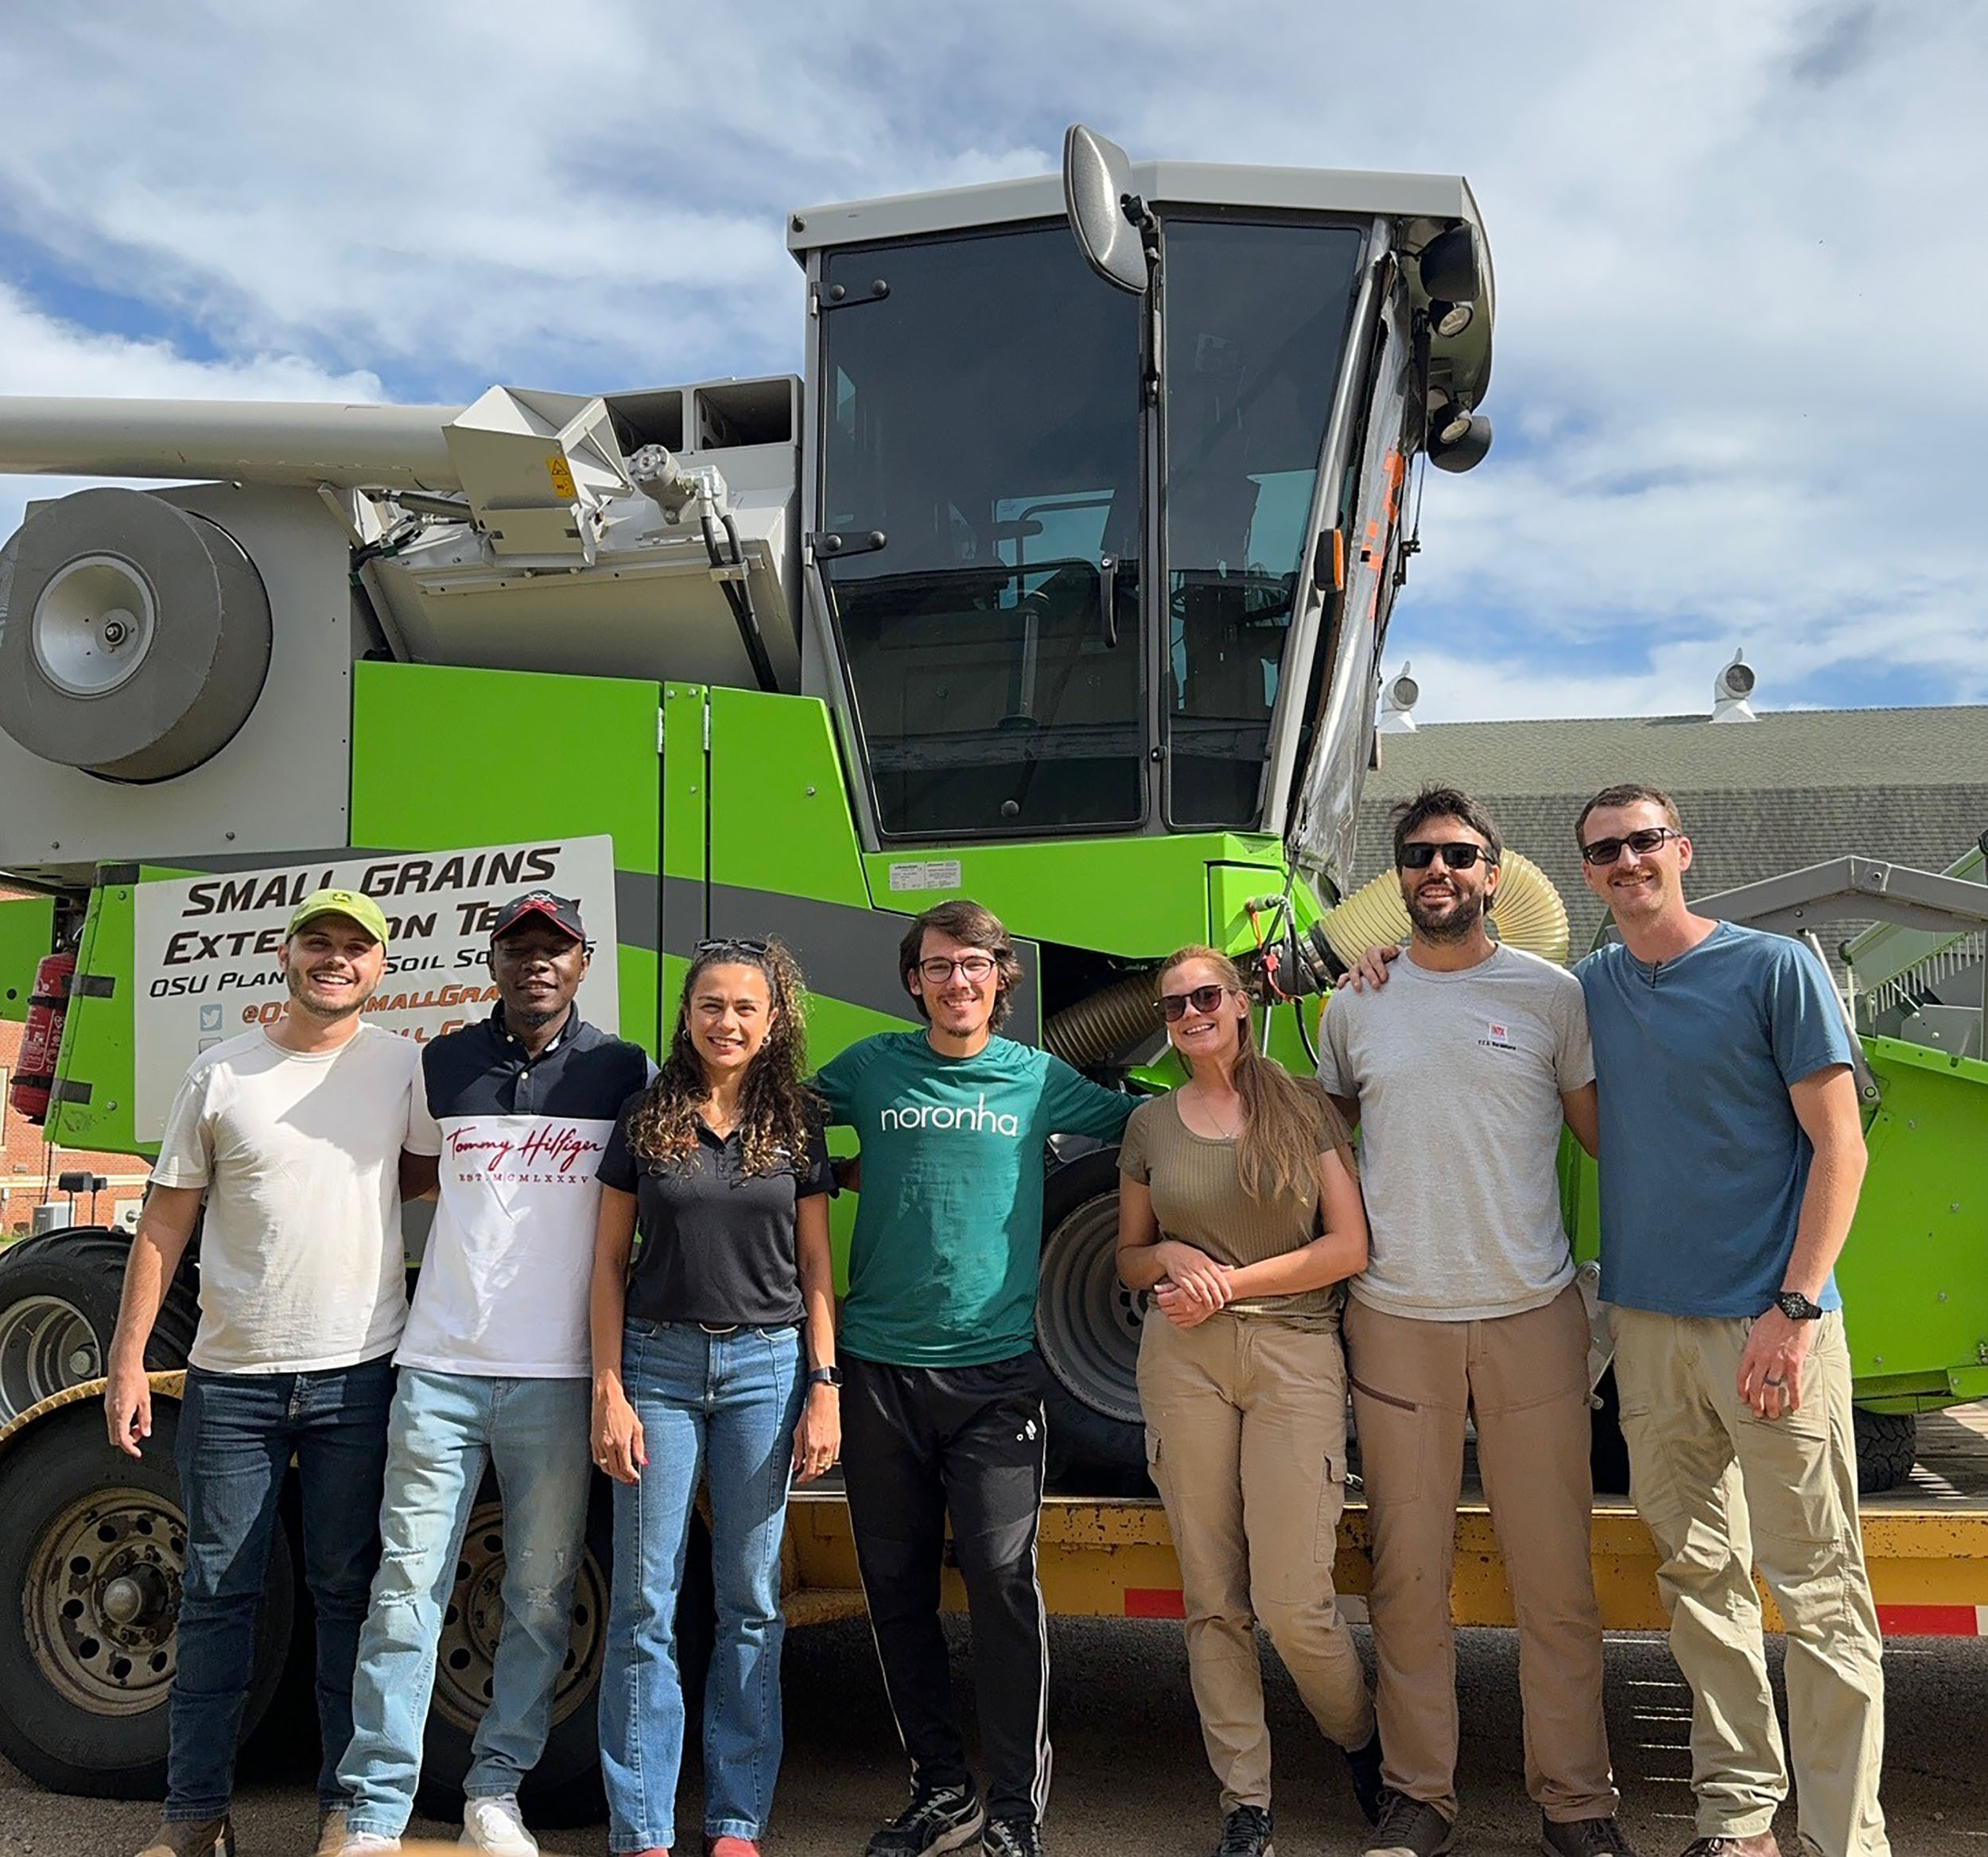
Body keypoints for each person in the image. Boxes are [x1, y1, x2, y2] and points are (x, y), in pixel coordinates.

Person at [1316, 787, 1635, 1857]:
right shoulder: (1354, 1005)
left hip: (1531, 1314)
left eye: (1458, 853)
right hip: (1397, 1319)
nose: (1437, 869)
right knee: (1407, 1575)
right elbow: (1324, 1140)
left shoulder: (1552, 995)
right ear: (1397, 876)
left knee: (1556, 1576)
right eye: (1417, 854)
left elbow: (1608, 1143)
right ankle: (1420, 1794)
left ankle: (1577, 1801)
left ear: (1495, 871)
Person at [1574, 785, 1885, 1857]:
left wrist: (1794, 1308)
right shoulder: (1594, 986)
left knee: (1818, 1586)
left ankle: (1848, 1837)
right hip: (1650, 1333)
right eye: (1605, 849)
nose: (1627, 859)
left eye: (1644, 840)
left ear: (1682, 849)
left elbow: (1841, 1147)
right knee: (1701, 1580)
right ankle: (1739, 1818)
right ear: (1587, 873)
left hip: (1770, 1325)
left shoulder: (1772, 968)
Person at [103, 890, 441, 1857]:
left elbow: (414, 1175)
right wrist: (130, 1363)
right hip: (231, 1381)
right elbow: (166, 1222)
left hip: (357, 1375)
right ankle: (194, 1818)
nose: (336, 960)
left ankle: (346, 1812)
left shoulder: (401, 1068)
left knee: (349, 1596)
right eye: (319, 943)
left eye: (355, 949)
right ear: (283, 955)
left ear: (379, 970)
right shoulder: (221, 1074)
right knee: (215, 1597)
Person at [814, 899, 1134, 1857]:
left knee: (1000, 1578)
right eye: (939, 966)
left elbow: (1154, 1126)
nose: (959, 981)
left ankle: (1014, 1814)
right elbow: (760, 1114)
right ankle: (939, 1790)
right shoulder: (869, 1068)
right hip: (877, 1371)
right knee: (894, 1584)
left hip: (996, 1378)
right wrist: (833, 1176)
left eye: (976, 965)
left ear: (1002, 980)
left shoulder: (1037, 1078)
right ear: (915, 981)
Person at [336, 891, 650, 1857]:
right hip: (439, 1370)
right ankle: (374, 1810)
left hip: (558, 1376)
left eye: (553, 949)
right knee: (404, 1591)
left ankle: (494, 1794)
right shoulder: (443, 1063)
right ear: (494, 963)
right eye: (517, 948)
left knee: (541, 1596)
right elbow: (408, 1175)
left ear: (582, 963)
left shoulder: (618, 1069)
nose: (535, 964)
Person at [1114, 946, 1380, 1857]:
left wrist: (1227, 1281)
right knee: (1212, 1595)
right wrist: (1169, 1261)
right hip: (1182, 1358)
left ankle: (1360, 1739)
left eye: (1203, 996)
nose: (1188, 1012)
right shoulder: (1150, 1123)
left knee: (1294, 1598)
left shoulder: (1300, 1104)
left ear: (1237, 1002)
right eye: (1171, 1003)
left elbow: (1348, 1245)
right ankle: (1245, 1802)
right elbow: (1128, 1257)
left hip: (1295, 1352)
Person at [589, 936, 841, 1857]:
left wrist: (824, 1384)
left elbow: (815, 1265)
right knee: (645, 1602)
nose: (725, 1022)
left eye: (745, 1007)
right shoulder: (644, 1116)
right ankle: (644, 1824)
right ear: (686, 1015)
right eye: (710, 1005)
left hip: (766, 1372)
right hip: (655, 1367)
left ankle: (735, 1820)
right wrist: (607, 1389)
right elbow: (608, 1266)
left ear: (772, 1021)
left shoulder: (798, 1123)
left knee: (749, 1599)